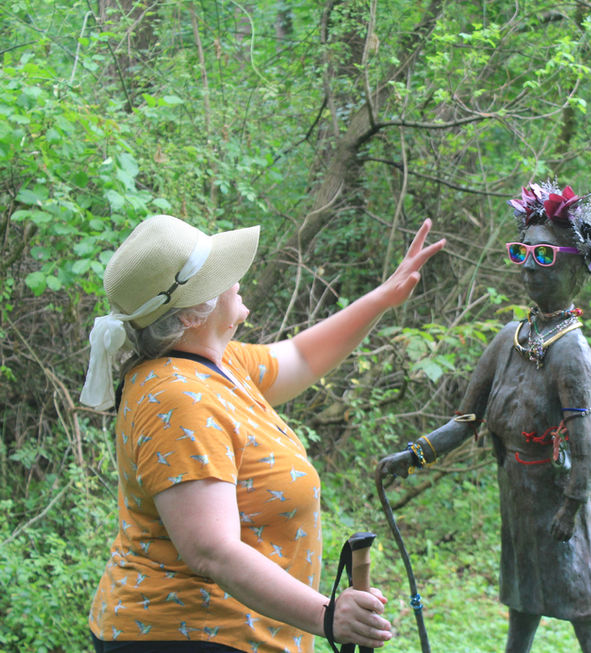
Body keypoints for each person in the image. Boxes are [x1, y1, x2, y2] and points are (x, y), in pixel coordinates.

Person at [80, 213, 445, 653]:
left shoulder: (217, 364)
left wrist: (382, 298)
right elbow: (211, 551)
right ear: (196, 311)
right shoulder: (178, 398)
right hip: (188, 638)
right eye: (221, 274)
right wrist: (327, 616)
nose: (236, 279)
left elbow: (302, 357)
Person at [378, 182, 591, 653]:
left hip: (557, 497)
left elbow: (585, 447)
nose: (530, 265)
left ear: (575, 266)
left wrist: (571, 507)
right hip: (517, 490)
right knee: (523, 595)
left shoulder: (572, 354)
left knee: (583, 595)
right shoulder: (511, 337)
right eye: (522, 252)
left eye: (545, 256)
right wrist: (412, 456)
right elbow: (466, 420)